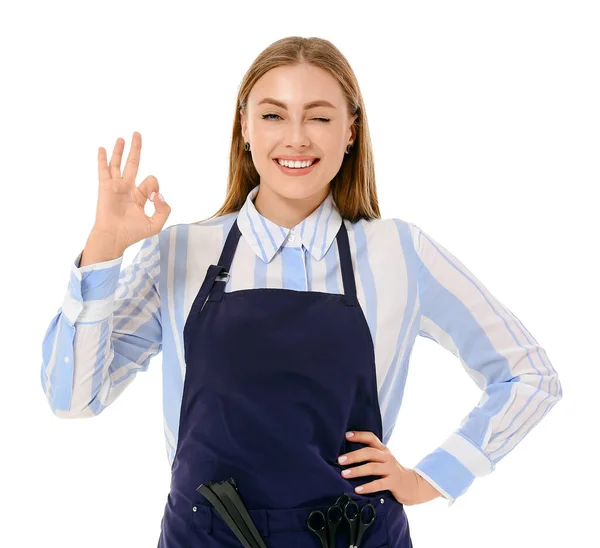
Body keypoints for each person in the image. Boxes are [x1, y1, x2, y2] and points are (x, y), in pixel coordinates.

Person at [40, 36, 563, 547]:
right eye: (272, 115)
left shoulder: (400, 251)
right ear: (244, 128)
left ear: (351, 131)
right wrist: (104, 249)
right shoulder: (179, 252)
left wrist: (429, 479)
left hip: (353, 534)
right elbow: (73, 400)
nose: (296, 138)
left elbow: (529, 375)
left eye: (319, 116)